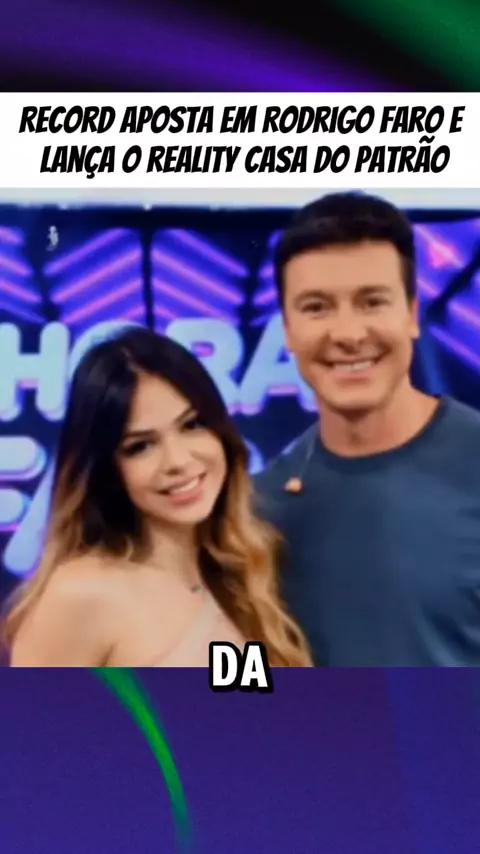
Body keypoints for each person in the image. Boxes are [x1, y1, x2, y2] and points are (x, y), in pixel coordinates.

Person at [255, 191, 480, 667]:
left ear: (411, 315)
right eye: (316, 307)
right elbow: (239, 678)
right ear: (288, 330)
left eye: (372, 302)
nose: (348, 334)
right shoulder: (259, 509)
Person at [4, 328, 312, 667]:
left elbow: (245, 700)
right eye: (140, 446)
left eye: (192, 425)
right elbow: (34, 704)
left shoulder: (237, 583)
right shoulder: (83, 592)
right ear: (108, 470)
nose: (177, 461)